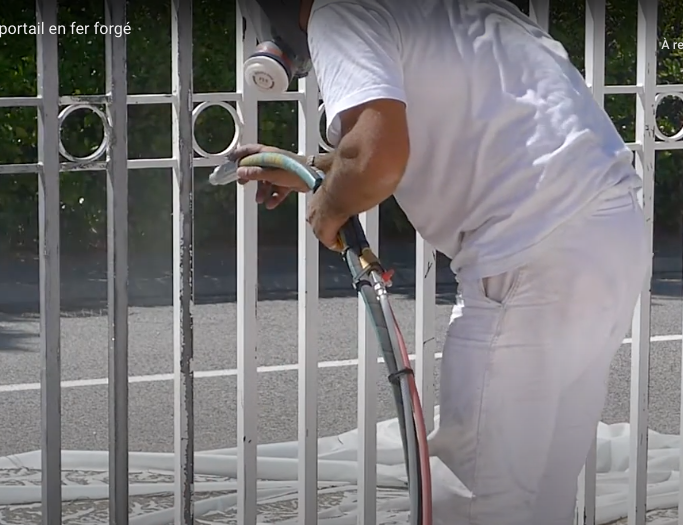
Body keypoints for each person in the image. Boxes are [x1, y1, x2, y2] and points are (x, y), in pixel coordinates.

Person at [229, 0, 652, 523]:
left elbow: (377, 157)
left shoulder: (337, 12)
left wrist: (331, 204)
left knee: (474, 496)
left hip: (530, 249)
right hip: (610, 231)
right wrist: (316, 169)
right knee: (543, 488)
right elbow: (422, 138)